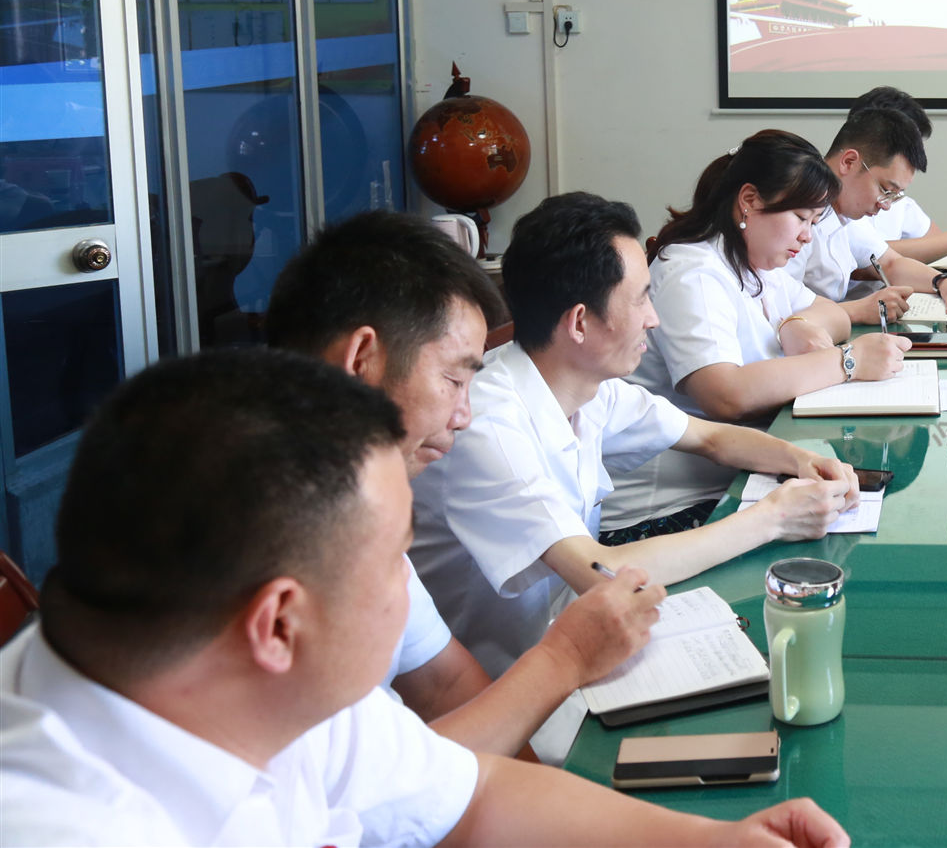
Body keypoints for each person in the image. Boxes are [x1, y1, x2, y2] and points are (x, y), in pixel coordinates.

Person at [0, 349, 849, 848]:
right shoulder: (58, 822)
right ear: (280, 622)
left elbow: (471, 798)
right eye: (393, 558)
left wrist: (715, 839)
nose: (408, 583)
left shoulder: (271, 689)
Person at [410, 192, 859, 697]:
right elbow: (601, 572)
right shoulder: (489, 424)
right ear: (580, 322)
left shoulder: (585, 384)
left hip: (571, 645)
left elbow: (709, 437)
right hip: (500, 690)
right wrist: (773, 518)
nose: (654, 318)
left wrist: (804, 460)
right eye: (641, 298)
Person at [266, 211, 664, 759]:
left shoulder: (359, 509)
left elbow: (445, 685)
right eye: (453, 379)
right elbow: (389, 786)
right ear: (362, 360)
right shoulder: (272, 542)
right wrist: (566, 657)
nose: (463, 416)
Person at [600, 131, 911, 541]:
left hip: (735, 480)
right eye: (801, 218)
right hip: (666, 510)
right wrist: (846, 362)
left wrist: (793, 323)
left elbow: (834, 315)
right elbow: (725, 394)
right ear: (749, 200)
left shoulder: (755, 264)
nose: (807, 236)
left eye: (814, 222)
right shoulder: (693, 272)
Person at [790, 107, 947, 324]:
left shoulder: (844, 213)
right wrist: (857, 310)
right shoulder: (794, 214)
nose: (886, 205)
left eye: (894, 195)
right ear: (849, 162)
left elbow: (890, 263)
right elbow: (779, 310)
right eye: (885, 189)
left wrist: (943, 281)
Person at [847, 86, 947, 265]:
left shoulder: (898, 200)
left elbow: (935, 242)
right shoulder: (837, 201)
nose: (886, 204)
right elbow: (863, 257)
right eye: (909, 147)